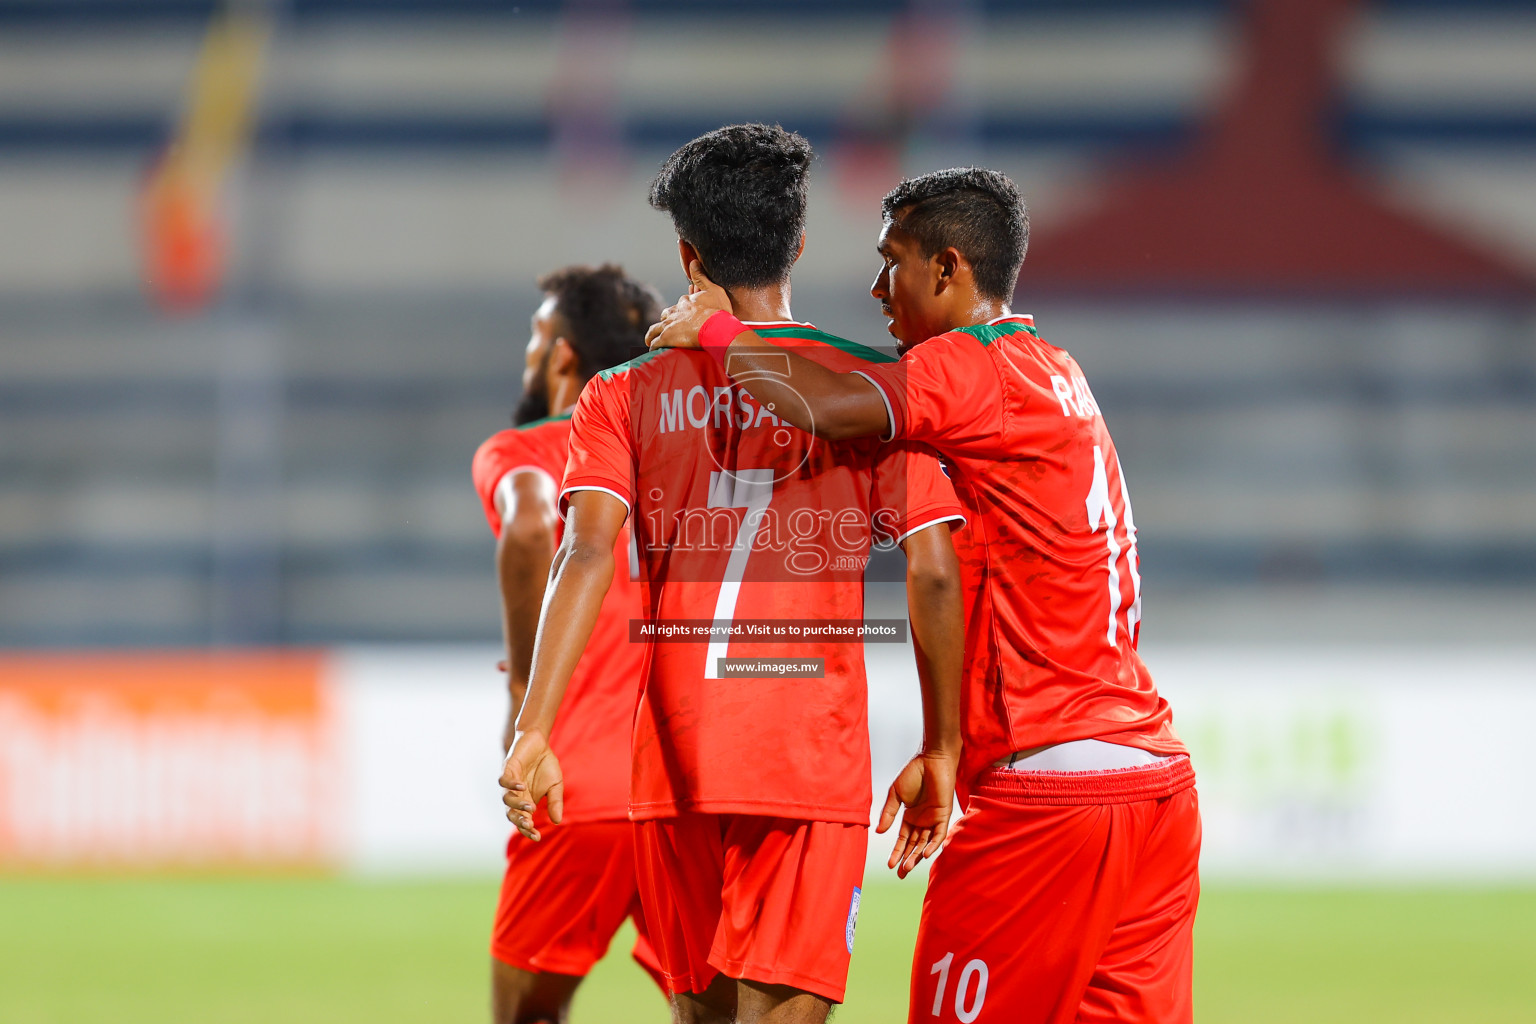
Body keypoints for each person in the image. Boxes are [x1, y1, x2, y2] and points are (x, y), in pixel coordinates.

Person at [647, 167, 1200, 1024]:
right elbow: (854, 366)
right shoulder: (1052, 366)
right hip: (1152, 782)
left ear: (947, 270)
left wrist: (715, 332)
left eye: (890, 263)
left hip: (1046, 791)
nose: (876, 289)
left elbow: (828, 406)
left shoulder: (966, 372)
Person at [500, 125, 967, 1024]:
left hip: (673, 762)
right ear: (797, 242)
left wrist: (534, 729)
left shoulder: (620, 393)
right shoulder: (877, 384)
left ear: (686, 252)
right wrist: (943, 745)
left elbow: (584, 551)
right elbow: (935, 569)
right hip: (805, 759)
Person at [470, 264, 665, 1024]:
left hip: (575, 781)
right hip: (681, 791)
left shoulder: (525, 449)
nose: (527, 355)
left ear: (560, 356)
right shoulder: (676, 453)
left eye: (534, 336)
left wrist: (524, 692)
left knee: (528, 1015)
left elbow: (527, 528)